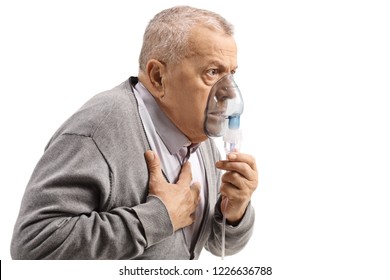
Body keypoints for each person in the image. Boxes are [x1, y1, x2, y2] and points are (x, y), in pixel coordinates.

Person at [11, 5, 258, 260]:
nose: (229, 92)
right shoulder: (99, 130)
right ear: (158, 76)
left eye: (231, 74)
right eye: (212, 72)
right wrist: (157, 218)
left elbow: (216, 245)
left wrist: (234, 211)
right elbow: (32, 248)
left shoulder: (198, 137)